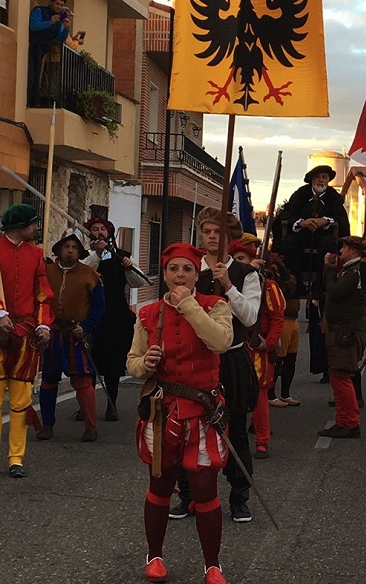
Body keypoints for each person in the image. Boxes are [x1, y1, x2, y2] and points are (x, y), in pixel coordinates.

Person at [127, 243, 233, 584]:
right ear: (165, 273)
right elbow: (132, 363)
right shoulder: (147, 313)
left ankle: (212, 565)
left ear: (196, 272)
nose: (180, 275)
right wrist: (146, 364)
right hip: (163, 414)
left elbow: (220, 342)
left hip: (203, 413)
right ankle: (154, 555)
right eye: (174, 269)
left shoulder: (216, 306)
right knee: (159, 486)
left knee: (205, 489)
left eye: (187, 269)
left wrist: (188, 305)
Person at [169, 208, 261, 523]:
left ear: (229, 236)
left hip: (232, 359)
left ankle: (239, 498)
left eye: (217, 231)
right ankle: (188, 495)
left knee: (234, 429)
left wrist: (229, 286)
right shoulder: (190, 272)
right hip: (196, 360)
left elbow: (249, 317)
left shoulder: (246, 274)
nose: (210, 236)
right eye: (206, 230)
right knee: (189, 429)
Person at [0, 203, 54, 478]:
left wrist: (44, 324)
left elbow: (42, 294)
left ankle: (16, 458)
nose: (36, 228)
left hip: (25, 334)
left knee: (21, 400)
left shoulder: (37, 254)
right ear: (19, 227)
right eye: (33, 223)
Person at [37, 229, 105, 442]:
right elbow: (39, 300)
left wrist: (85, 327)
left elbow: (99, 306)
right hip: (52, 333)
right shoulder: (46, 271)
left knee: (83, 381)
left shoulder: (90, 275)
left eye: (74, 247)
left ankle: (91, 427)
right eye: (66, 246)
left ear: (79, 251)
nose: (70, 250)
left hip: (75, 334)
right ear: (59, 250)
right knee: (48, 380)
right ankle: (47, 425)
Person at [82, 217, 147, 420]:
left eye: (103, 229)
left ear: (109, 234)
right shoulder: (86, 257)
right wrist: (98, 255)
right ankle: (86, 406)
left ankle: (112, 404)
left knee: (112, 363)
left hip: (115, 316)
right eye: (95, 229)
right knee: (88, 364)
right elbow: (84, 273)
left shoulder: (121, 257)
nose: (99, 232)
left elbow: (139, 282)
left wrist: (128, 266)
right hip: (91, 316)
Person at [228, 240, 285, 459]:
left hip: (256, 349)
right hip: (232, 345)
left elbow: (277, 316)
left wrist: (268, 343)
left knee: (260, 397)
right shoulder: (225, 283)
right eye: (236, 259)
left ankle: (262, 441)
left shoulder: (267, 286)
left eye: (243, 259)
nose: (239, 263)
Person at [318, 236, 366, 439]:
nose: (341, 251)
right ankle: (342, 421)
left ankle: (350, 422)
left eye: (345, 248)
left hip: (348, 331)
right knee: (337, 375)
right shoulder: (351, 271)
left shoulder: (354, 273)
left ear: (354, 251)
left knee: (341, 376)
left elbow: (335, 292)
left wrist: (330, 270)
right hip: (343, 329)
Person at [273, 165, 350, 293]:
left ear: (328, 180)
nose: (320, 180)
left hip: (324, 235)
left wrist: (326, 220)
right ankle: (295, 284)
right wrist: (302, 222)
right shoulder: (300, 194)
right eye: (317, 177)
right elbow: (285, 214)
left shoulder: (334, 197)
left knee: (328, 243)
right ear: (312, 180)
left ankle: (321, 284)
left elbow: (341, 220)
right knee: (289, 243)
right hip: (301, 234)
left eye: (324, 177)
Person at [267, 257, 302, 408]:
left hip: (293, 317)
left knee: (291, 358)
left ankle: (285, 393)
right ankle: (271, 393)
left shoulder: (290, 272)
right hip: (284, 317)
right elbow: (287, 288)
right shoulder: (273, 271)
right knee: (279, 359)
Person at [28, 0, 70, 106]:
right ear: (51, 2)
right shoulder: (39, 10)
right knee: (30, 77)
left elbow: (59, 38)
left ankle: (34, 102)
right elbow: (33, 26)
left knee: (37, 78)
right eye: (57, 4)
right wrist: (49, 22)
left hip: (43, 52)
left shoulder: (61, 17)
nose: (59, 7)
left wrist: (66, 29)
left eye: (61, 5)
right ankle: (30, 102)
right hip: (31, 48)